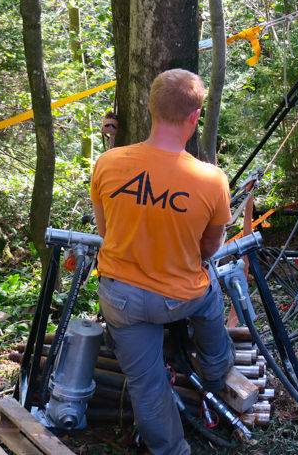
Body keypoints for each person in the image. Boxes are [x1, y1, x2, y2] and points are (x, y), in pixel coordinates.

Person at [90, 69, 234, 455]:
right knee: (210, 293)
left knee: (146, 383)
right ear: (194, 117)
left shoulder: (108, 163)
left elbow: (107, 233)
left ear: (150, 108)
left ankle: (171, 451)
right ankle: (218, 371)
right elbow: (208, 250)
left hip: (121, 298)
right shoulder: (211, 180)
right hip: (179, 298)